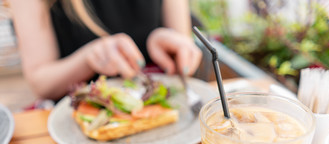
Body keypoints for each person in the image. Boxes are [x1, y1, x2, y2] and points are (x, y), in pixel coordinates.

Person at [9, 0, 202, 101]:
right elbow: (40, 81)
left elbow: (181, 42)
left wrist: (168, 41)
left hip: (164, 108)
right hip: (79, 129)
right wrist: (88, 59)